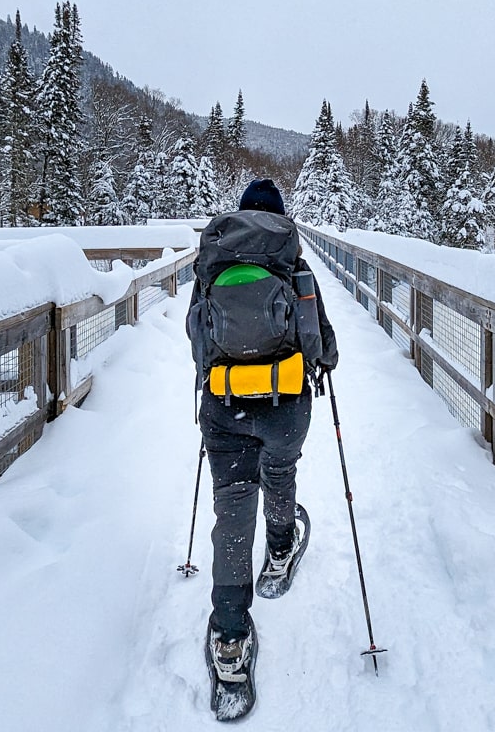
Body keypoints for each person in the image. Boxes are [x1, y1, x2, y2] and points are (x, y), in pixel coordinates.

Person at [186, 178, 338, 713]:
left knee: (232, 509)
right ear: (278, 219)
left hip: (225, 406)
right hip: (286, 403)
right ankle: (278, 552)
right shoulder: (295, 268)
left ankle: (230, 640)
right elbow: (321, 340)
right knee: (280, 473)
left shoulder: (211, 269)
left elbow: (196, 337)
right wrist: (323, 361)